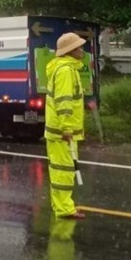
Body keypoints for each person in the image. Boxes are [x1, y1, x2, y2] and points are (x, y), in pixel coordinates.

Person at [44, 32, 87, 219]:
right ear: (70, 51)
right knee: (64, 171)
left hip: (59, 131)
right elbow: (64, 102)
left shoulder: (65, 69)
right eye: (78, 46)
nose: (82, 49)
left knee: (60, 170)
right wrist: (67, 128)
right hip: (62, 132)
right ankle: (64, 209)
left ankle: (61, 206)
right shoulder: (65, 71)